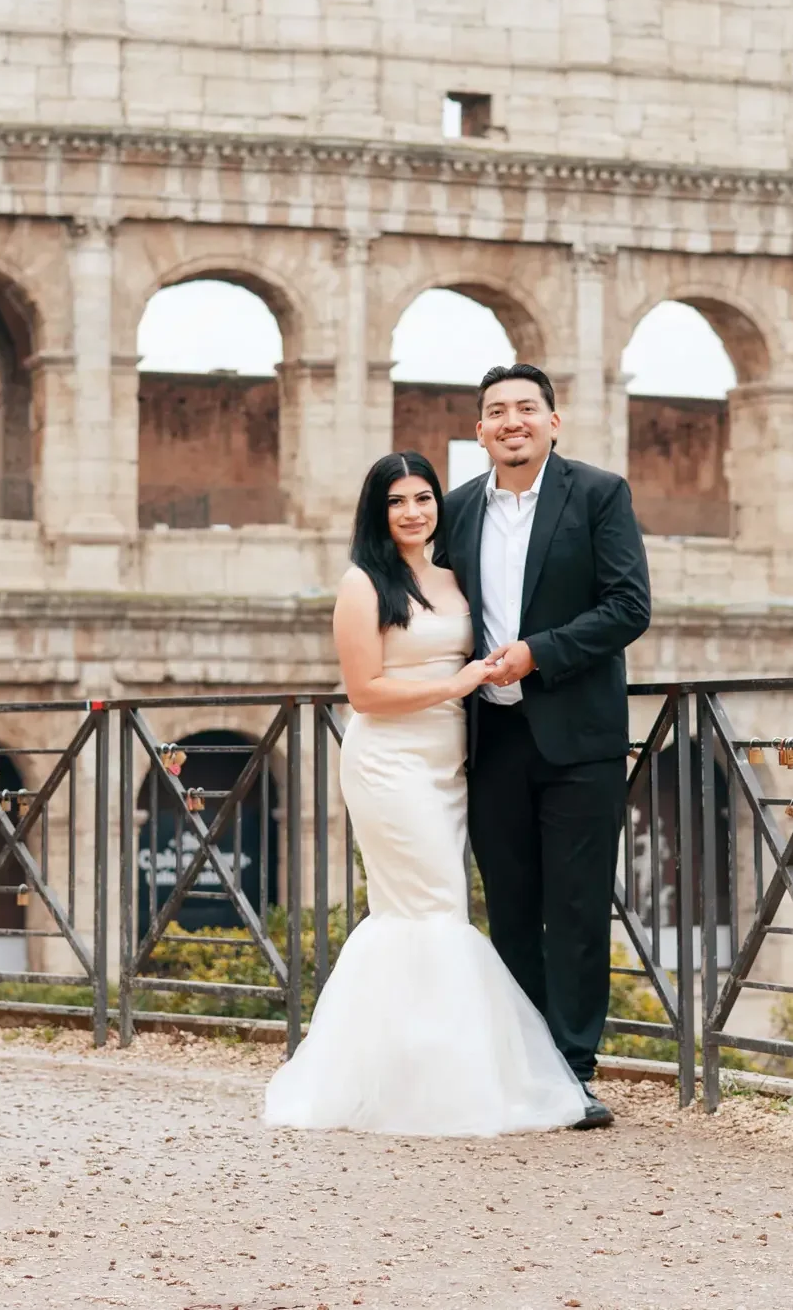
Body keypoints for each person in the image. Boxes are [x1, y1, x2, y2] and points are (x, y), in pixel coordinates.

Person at [262, 450, 588, 1136]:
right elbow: (365, 692)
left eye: (423, 498)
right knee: (434, 906)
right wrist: (457, 683)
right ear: (377, 513)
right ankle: (443, 1085)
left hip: (447, 761)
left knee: (426, 911)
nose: (413, 512)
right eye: (397, 501)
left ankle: (408, 1074)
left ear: (439, 504)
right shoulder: (362, 584)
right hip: (389, 761)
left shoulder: (451, 577)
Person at [440, 363, 653, 1130]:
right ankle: (521, 1063)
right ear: (479, 430)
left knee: (575, 906)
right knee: (509, 904)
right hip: (491, 734)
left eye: (526, 407)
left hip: (578, 735)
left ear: (553, 421)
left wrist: (540, 651)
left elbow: (630, 606)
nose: (512, 421)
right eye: (496, 410)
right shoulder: (457, 510)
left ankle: (573, 1072)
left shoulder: (598, 494)